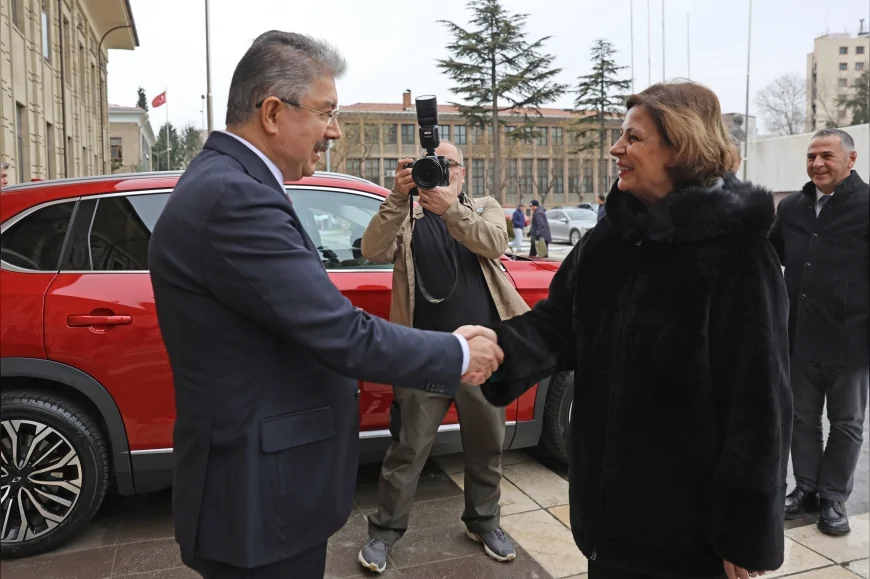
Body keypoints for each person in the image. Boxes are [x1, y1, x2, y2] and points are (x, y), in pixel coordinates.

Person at [147, 31, 503, 579]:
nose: (333, 131)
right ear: (271, 111)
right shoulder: (234, 196)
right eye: (326, 113)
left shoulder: (231, 183)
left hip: (261, 489)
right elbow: (339, 332)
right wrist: (455, 354)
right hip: (259, 501)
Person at [475, 81, 793, 579]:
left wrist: (745, 533)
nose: (615, 148)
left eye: (633, 137)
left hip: (690, 534)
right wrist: (498, 348)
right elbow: (561, 323)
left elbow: (759, 404)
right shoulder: (612, 237)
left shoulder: (737, 254)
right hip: (608, 524)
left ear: (679, 148)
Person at [357, 141, 530, 573]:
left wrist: (452, 209)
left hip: (480, 358)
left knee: (486, 445)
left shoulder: (484, 206)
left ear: (462, 172)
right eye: (429, 166)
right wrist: (398, 196)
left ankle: (483, 522)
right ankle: (384, 533)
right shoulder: (407, 216)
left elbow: (493, 244)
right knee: (408, 449)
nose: (439, 172)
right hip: (423, 355)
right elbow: (372, 249)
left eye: (447, 165)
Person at [769, 128, 869, 537]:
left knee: (846, 422)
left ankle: (833, 498)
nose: (817, 164)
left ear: (851, 159)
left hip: (853, 337)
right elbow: (770, 252)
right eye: (811, 156)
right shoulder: (792, 207)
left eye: (826, 155)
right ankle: (806, 489)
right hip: (800, 334)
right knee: (802, 419)